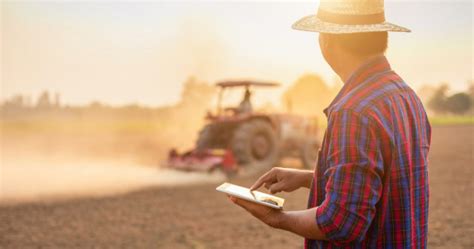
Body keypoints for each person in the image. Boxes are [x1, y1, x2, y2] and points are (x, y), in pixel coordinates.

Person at [228, 0, 432, 248]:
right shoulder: (406, 97)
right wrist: (309, 178)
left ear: (327, 40)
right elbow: (378, 182)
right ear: (381, 36)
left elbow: (341, 222)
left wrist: (277, 218)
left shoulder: (353, 111)